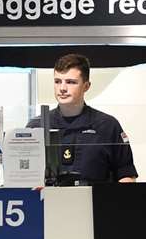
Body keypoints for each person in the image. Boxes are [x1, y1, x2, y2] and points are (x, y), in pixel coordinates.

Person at [43, 52, 137, 184]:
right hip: (48, 203)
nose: (62, 88)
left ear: (86, 86)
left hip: (98, 202)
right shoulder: (37, 126)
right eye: (57, 81)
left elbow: (126, 175)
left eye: (71, 82)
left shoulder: (108, 126)